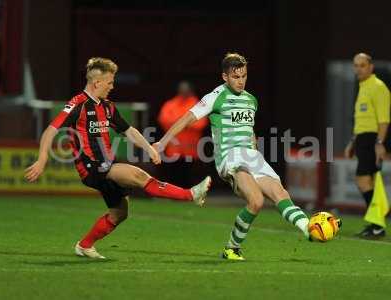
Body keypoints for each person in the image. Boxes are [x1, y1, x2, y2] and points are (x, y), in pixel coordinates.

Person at [25, 57, 211, 259]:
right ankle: (191, 194)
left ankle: (85, 245)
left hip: (106, 164)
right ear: (97, 83)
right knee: (138, 175)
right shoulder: (77, 104)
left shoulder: (107, 107)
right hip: (91, 166)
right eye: (110, 82)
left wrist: (149, 148)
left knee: (120, 213)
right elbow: (50, 130)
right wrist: (42, 159)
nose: (112, 86)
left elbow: (128, 130)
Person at [153, 53, 310, 260]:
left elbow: (248, 128)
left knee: (280, 194)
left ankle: (310, 229)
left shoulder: (250, 100)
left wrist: (253, 145)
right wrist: (163, 142)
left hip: (252, 156)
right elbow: (187, 119)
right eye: (236, 77)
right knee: (256, 200)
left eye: (244, 76)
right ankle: (233, 248)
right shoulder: (215, 97)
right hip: (230, 157)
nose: (241, 81)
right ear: (225, 77)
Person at [344, 53, 390, 239]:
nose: (358, 69)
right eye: (356, 65)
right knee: (366, 181)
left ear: (371, 67)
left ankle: (377, 223)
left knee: (364, 180)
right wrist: (353, 142)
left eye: (362, 65)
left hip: (373, 139)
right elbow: (363, 119)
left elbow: (384, 119)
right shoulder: (363, 87)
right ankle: (375, 224)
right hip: (362, 139)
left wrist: (380, 143)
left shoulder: (378, 87)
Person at [158, 81, 208, 186]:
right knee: (173, 175)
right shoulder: (171, 104)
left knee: (189, 177)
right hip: (173, 148)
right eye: (182, 90)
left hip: (191, 149)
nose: (184, 92)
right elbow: (163, 119)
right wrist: (186, 122)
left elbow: (201, 123)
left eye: (186, 90)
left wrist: (179, 123)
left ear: (190, 91)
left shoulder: (198, 104)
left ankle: (189, 195)